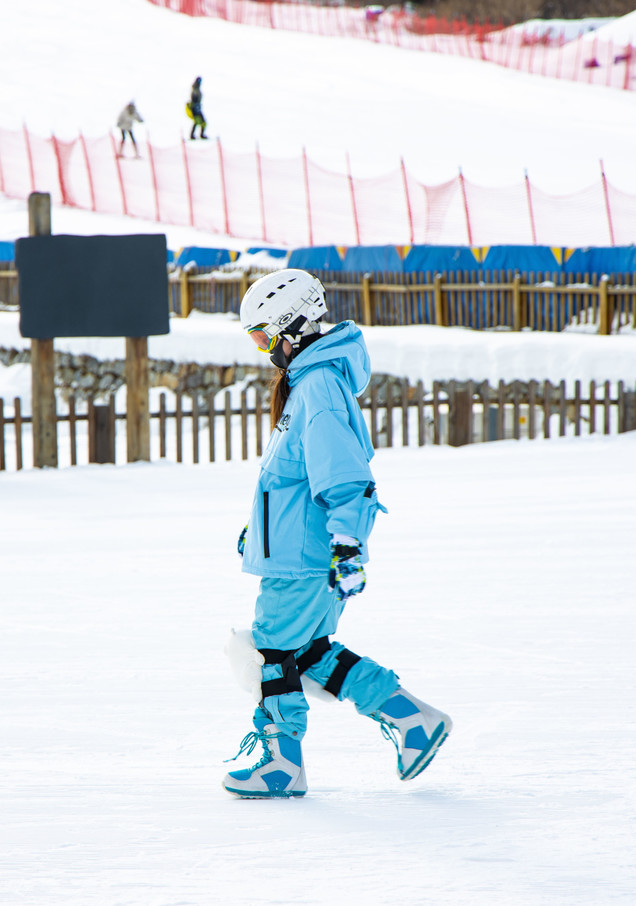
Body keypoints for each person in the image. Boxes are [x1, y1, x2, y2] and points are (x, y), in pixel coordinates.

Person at [222, 268, 451, 799]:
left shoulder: (319, 387)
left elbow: (345, 478)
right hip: (297, 552)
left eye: (264, 337)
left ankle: (280, 764)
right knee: (311, 654)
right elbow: (291, 480)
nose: (262, 349)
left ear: (292, 328)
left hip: (303, 560)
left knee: (274, 654)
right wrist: (256, 531)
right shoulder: (311, 383)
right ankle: (413, 720)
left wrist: (348, 546)